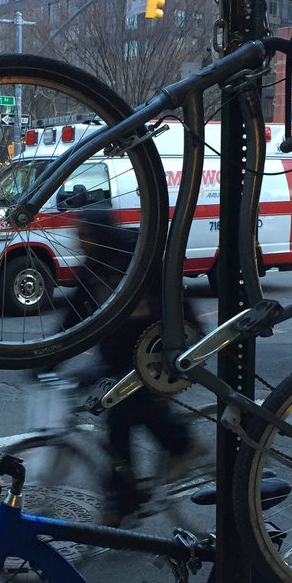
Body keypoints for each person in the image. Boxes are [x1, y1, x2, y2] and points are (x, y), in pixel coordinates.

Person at [67, 206, 204, 524]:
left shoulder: (134, 259)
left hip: (155, 351)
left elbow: (173, 299)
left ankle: (182, 446)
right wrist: (45, 355)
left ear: (101, 235)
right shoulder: (91, 266)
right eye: (78, 237)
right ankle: (126, 500)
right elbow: (72, 315)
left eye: (85, 236)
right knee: (119, 427)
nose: (80, 243)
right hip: (119, 358)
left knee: (125, 417)